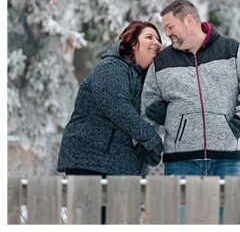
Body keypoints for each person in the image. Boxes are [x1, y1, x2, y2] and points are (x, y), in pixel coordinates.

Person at [142, 0, 240, 177]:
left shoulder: (230, 49)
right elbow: (148, 102)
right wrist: (149, 141)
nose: (166, 34)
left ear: (188, 20)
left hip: (227, 157)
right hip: (181, 160)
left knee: (228, 206)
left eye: (170, 27)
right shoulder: (162, 61)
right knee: (182, 206)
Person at [57, 20, 164, 176]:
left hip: (119, 165)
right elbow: (119, 109)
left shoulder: (144, 80)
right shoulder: (111, 67)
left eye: (158, 40)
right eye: (149, 37)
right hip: (91, 160)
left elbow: (145, 117)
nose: (157, 43)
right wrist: (151, 140)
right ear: (133, 43)